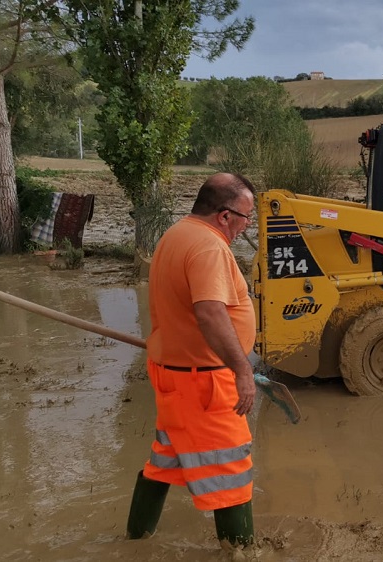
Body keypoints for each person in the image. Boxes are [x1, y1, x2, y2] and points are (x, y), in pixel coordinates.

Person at [126, 172, 259, 549]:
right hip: (204, 384)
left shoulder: (176, 235)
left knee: (164, 462)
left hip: (175, 379)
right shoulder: (208, 248)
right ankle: (242, 554)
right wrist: (243, 370)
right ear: (224, 215)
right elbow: (210, 313)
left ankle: (134, 542)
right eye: (246, 218)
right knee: (230, 473)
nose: (246, 227)